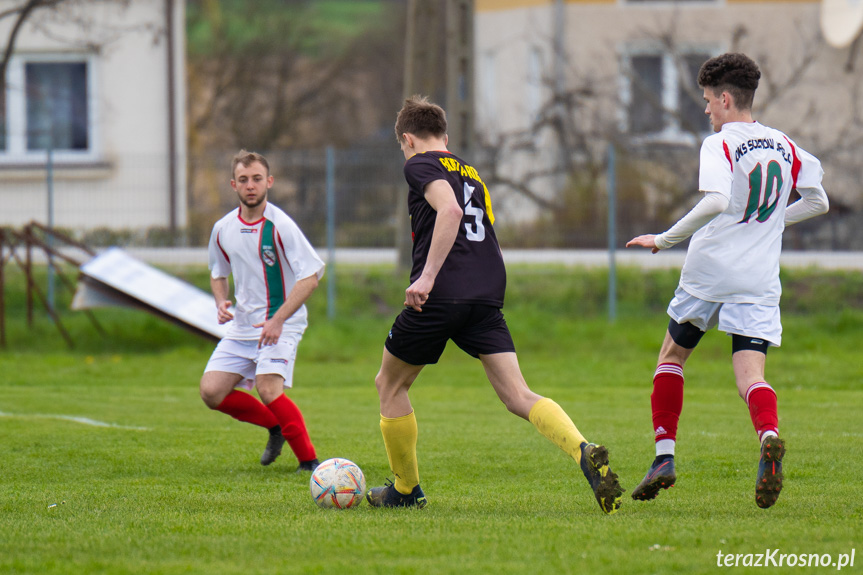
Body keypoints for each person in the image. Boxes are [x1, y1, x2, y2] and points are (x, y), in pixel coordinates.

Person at [365, 95, 625, 514]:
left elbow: (449, 213)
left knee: (389, 384)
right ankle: (582, 450)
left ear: (408, 139)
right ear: (445, 137)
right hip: (485, 291)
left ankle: (405, 489)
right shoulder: (470, 172)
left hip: (441, 292)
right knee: (517, 394)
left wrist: (427, 276)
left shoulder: (418, 164)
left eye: (403, 146)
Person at [626, 53, 829, 508]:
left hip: (710, 271)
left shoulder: (719, 143)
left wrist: (665, 239)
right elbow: (818, 201)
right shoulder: (784, 144)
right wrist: (773, 221)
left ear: (724, 98)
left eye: (706, 101)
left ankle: (664, 456)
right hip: (759, 277)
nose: (705, 111)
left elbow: (717, 201)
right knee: (750, 375)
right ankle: (769, 436)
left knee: (672, 355)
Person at [200, 150, 325, 472]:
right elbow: (217, 271)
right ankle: (275, 427)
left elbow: (310, 278)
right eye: (243, 180)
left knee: (269, 389)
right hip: (243, 326)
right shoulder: (222, 228)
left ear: (269, 181)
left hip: (283, 323)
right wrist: (220, 300)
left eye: (257, 178)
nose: (250, 185)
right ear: (233, 185)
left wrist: (278, 320)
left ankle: (310, 463)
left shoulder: (280, 225)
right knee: (212, 392)